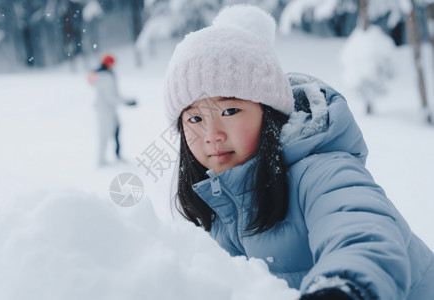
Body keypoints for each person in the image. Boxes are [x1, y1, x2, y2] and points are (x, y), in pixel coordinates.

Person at [163, 5, 434, 300]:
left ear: (268, 112)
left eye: (230, 110)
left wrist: (343, 288)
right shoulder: (217, 208)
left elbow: (361, 229)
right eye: (195, 119)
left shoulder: (321, 170)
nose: (211, 135)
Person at [88, 53, 136, 166]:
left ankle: (117, 155)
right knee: (104, 135)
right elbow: (111, 97)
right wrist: (127, 102)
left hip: (107, 110)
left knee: (116, 130)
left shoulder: (103, 75)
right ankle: (101, 161)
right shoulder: (106, 77)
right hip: (105, 111)